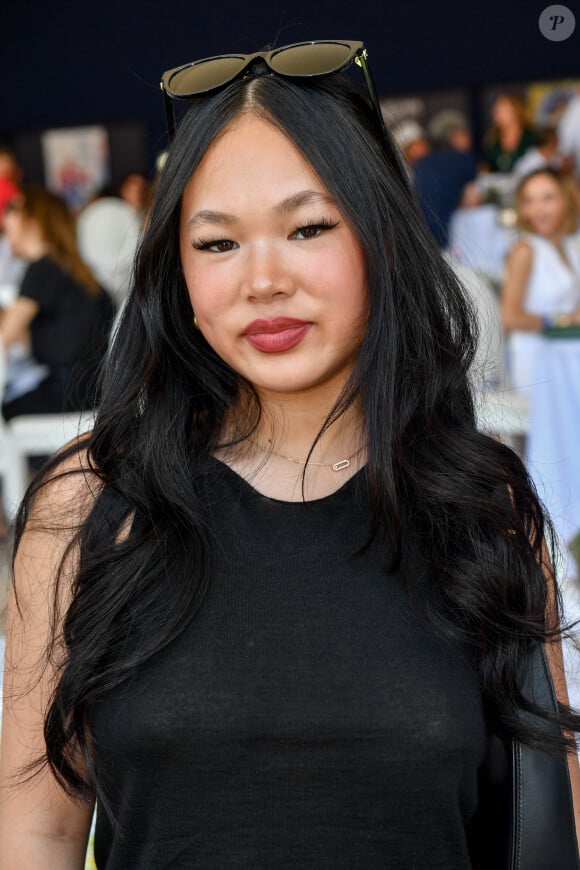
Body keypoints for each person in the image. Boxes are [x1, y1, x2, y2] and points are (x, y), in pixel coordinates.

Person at [0, 41, 579, 870]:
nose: (262, 279)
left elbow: (551, 829)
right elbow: (36, 834)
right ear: (177, 273)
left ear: (381, 239)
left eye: (308, 227)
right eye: (217, 243)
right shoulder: (88, 503)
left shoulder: (482, 508)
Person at [0, 185, 115, 419]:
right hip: (94, 390)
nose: (5, 221)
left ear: (34, 220)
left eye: (13, 210)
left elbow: (5, 337)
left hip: (69, 394)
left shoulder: (42, 268)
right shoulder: (69, 268)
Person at [500, 167, 580, 394]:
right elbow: (509, 317)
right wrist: (562, 320)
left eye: (548, 198)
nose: (538, 210)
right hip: (538, 361)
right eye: (529, 201)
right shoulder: (525, 250)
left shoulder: (567, 248)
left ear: (566, 199)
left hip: (567, 356)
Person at [412, 110, 478, 247]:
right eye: (464, 133)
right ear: (455, 136)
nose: (469, 137)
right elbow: (472, 202)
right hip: (445, 241)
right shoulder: (463, 160)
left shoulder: (420, 162)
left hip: (417, 239)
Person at [482, 92, 539, 174]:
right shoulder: (492, 140)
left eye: (503, 106)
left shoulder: (533, 137)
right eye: (496, 107)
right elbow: (487, 168)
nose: (496, 110)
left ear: (516, 109)